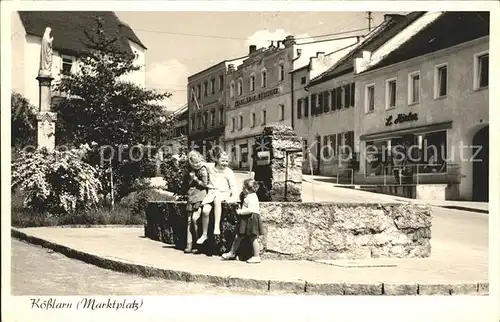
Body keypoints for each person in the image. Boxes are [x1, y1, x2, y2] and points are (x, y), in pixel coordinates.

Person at [197, 151, 238, 245]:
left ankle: (216, 226)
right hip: (211, 193)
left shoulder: (228, 172)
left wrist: (233, 198)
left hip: (223, 193)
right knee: (205, 211)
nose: (225, 163)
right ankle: (204, 234)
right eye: (222, 161)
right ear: (216, 160)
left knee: (217, 199)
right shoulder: (211, 168)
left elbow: (233, 186)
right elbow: (199, 164)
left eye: (227, 161)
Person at [221, 179, 264, 264]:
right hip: (246, 218)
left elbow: (251, 210)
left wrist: (240, 211)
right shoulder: (250, 196)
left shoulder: (251, 197)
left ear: (247, 189)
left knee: (253, 237)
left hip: (251, 218)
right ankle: (232, 253)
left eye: (243, 188)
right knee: (239, 236)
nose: (242, 190)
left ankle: (256, 256)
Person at [183, 151, 210, 253]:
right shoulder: (188, 169)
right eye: (193, 162)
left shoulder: (202, 168)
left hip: (200, 195)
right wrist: (190, 178)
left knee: (194, 219)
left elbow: (205, 184)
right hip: (191, 195)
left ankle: (199, 244)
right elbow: (186, 185)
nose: (195, 164)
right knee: (189, 220)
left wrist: (194, 179)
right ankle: (189, 244)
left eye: (196, 161)